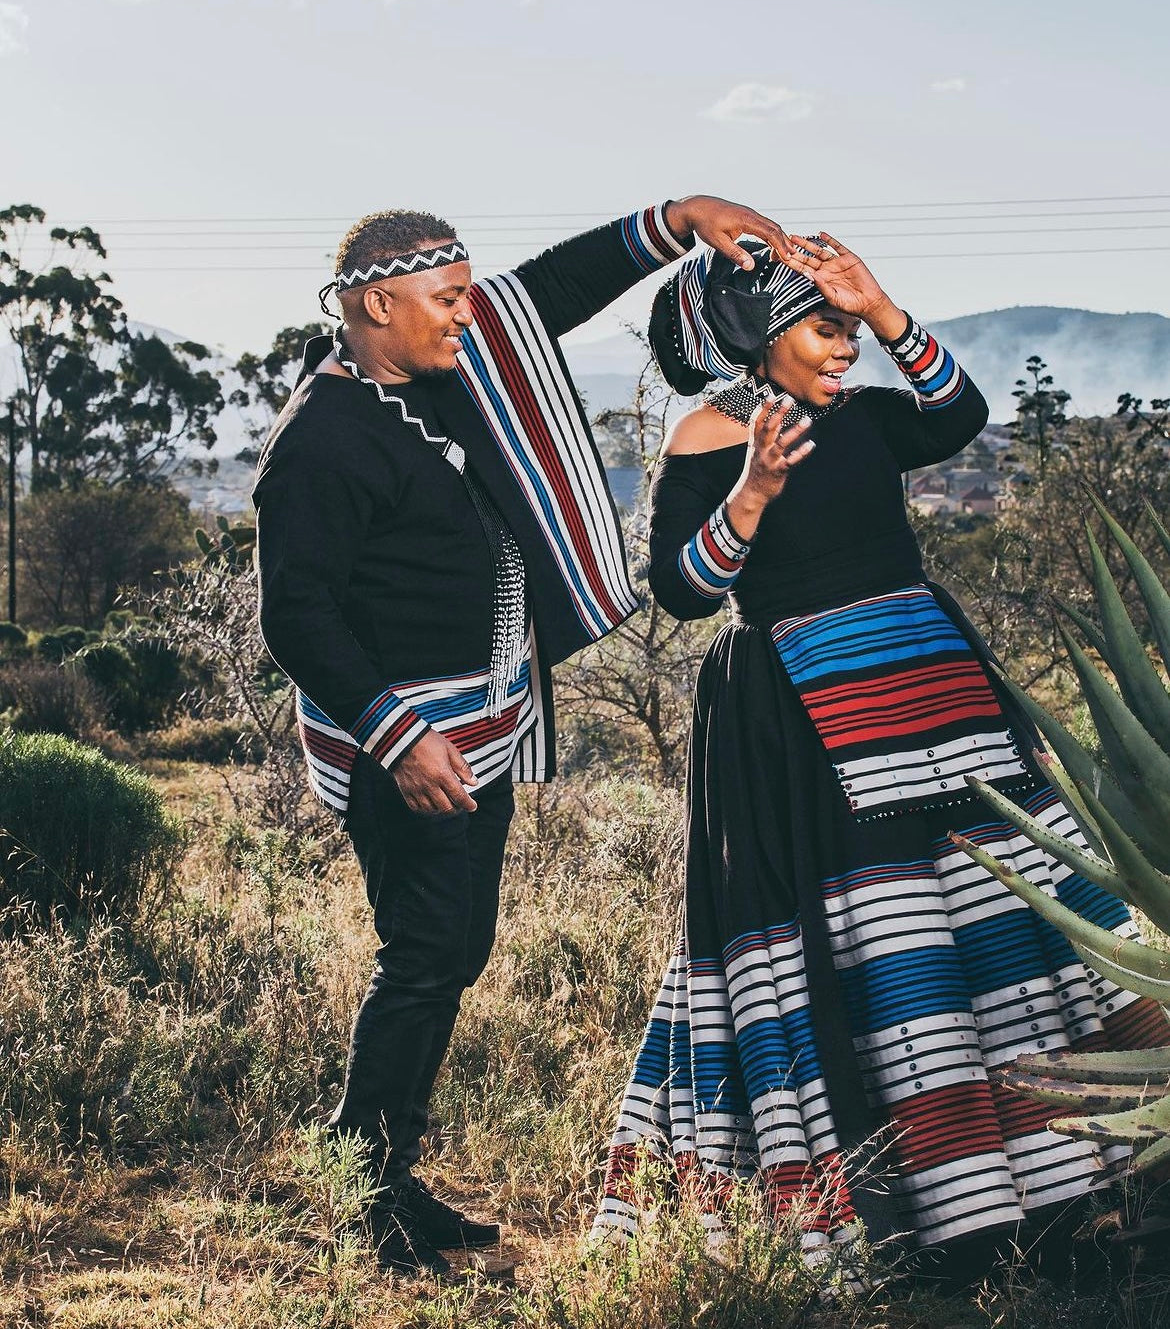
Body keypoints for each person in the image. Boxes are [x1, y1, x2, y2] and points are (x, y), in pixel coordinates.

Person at [593, 233, 1170, 1280]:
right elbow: (680, 588)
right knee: (887, 938)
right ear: (759, 337)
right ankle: (945, 1205)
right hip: (805, 722)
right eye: (826, 329)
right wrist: (751, 491)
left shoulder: (862, 418)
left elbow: (959, 416)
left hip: (936, 692)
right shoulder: (706, 435)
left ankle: (1071, 1175)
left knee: (1009, 907)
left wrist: (884, 306)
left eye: (851, 332)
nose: (846, 348)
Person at [252, 193, 793, 1275]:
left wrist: (677, 218)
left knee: (454, 950)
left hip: (478, 732)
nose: (471, 315)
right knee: (422, 957)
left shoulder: (440, 370)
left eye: (468, 296)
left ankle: (387, 1172)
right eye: (449, 299)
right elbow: (296, 615)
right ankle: (366, 1194)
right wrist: (399, 740)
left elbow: (549, 289)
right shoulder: (322, 441)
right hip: (411, 751)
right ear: (376, 304)